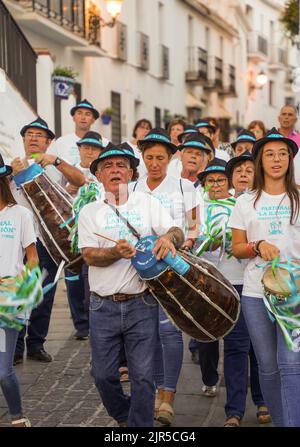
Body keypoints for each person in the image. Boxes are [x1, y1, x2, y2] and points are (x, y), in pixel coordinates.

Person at [78, 144, 184, 427]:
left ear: (131, 172)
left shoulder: (147, 204)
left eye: (121, 165)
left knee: (143, 376)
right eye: (108, 166)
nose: (115, 170)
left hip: (142, 302)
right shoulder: (89, 212)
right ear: (99, 176)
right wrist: (116, 253)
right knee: (102, 375)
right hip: (103, 306)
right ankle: (125, 416)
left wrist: (168, 239)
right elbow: (88, 255)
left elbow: (177, 231)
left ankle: (139, 427)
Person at [229, 127, 300, 427]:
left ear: (290, 159)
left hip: (295, 294)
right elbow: (236, 248)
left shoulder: (298, 198)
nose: (276, 159)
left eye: (282, 153)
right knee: (268, 368)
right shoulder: (246, 202)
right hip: (257, 295)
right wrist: (257, 245)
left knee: (292, 364)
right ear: (260, 160)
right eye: (269, 154)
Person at [132, 128, 201, 425]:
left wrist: (182, 244)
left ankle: (169, 396)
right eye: (149, 158)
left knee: (170, 331)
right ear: (143, 158)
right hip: (140, 271)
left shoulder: (186, 188)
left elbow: (197, 226)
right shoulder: (133, 189)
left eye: (161, 157)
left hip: (174, 270)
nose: (155, 163)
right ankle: (158, 389)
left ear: (171, 157)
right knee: (148, 335)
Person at [10, 117, 85, 364]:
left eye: (39, 135)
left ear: (49, 141)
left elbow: (80, 181)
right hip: (18, 240)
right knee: (18, 293)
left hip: (48, 241)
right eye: (29, 134)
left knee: (44, 294)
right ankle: (16, 346)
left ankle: (36, 344)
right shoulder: (12, 167)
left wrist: (57, 161)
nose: (33, 138)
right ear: (23, 139)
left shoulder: (55, 166)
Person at [221, 152, 271, 427]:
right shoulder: (220, 201)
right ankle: (234, 410)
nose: (242, 174)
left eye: (249, 170)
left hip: (260, 283)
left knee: (260, 348)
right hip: (229, 283)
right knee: (236, 347)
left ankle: (263, 400)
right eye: (238, 170)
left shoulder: (265, 202)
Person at [0, 154, 38, 427]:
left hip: (7, 299)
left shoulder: (21, 214)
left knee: (3, 371)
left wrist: (26, 287)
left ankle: (17, 416)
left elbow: (32, 258)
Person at [65, 131, 104, 341]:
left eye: (94, 148)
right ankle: (80, 325)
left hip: (95, 236)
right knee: (73, 282)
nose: (89, 151)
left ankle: (92, 321)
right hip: (71, 237)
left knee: (91, 281)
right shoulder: (70, 170)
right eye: (86, 147)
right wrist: (68, 190)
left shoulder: (102, 172)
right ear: (79, 149)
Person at [49, 99, 108, 166]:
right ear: (73, 117)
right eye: (79, 113)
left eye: (87, 114)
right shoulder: (61, 142)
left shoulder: (104, 143)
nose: (83, 117)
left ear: (93, 120)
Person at [277, 105, 300, 184]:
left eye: (290, 115)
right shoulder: (270, 138)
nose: (286, 117)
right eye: (284, 114)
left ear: (295, 120)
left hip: (295, 183)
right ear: (279, 118)